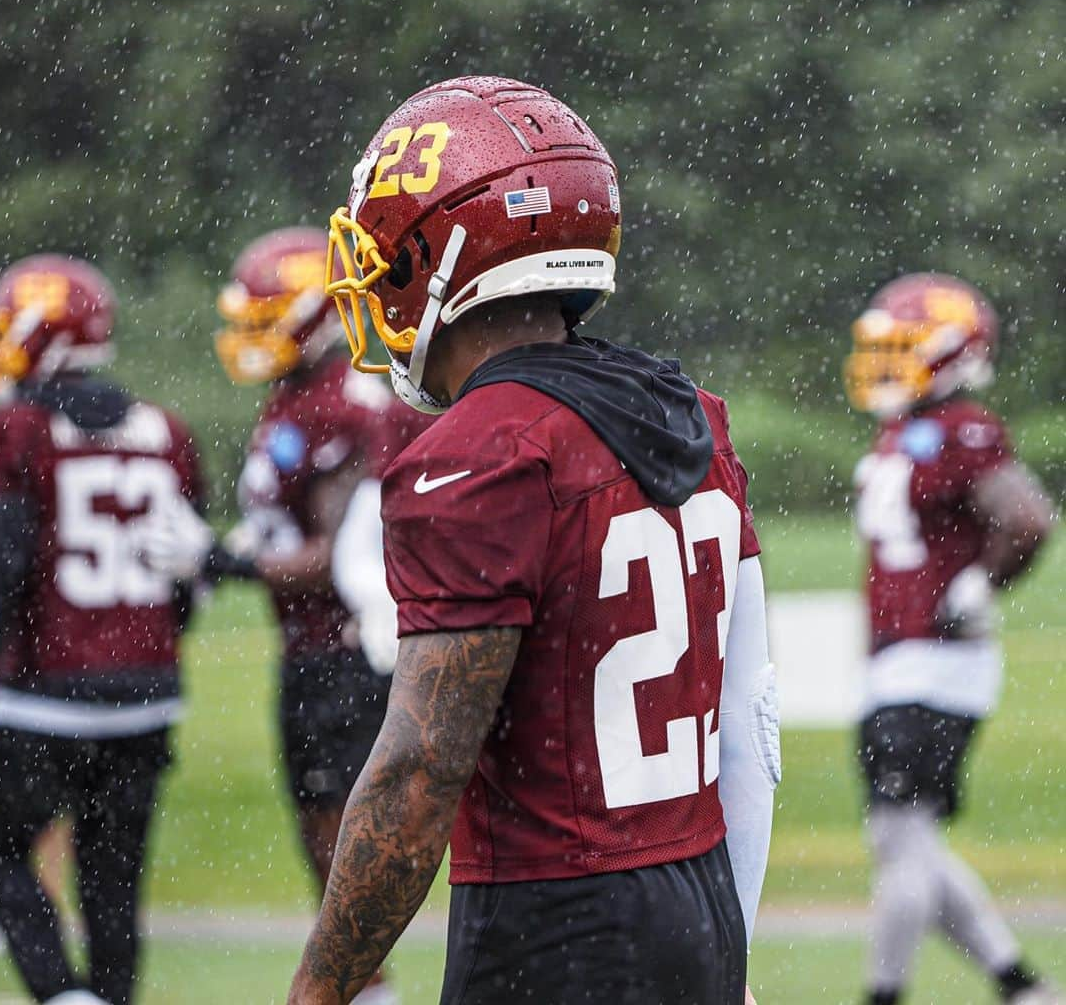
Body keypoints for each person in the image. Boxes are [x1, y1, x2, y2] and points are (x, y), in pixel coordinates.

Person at [287, 76, 780, 1005]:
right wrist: (731, 942)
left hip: (552, 927)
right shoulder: (693, 416)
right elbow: (753, 723)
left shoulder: (479, 455)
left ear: (434, 261)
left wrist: (318, 990)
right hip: (698, 905)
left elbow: (418, 771)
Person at [141, 229, 398, 1004]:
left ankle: (370, 993)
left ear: (317, 312)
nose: (253, 334)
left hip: (349, 656)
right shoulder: (295, 395)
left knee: (345, 851)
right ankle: (370, 991)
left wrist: (219, 560)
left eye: (267, 316)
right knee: (326, 852)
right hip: (309, 654)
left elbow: (333, 556)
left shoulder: (347, 402)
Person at [0, 254, 204, 1005]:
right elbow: (184, 585)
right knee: (114, 883)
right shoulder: (166, 430)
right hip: (147, 694)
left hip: (43, 693)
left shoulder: (14, 429)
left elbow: (1, 567)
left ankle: (63, 995)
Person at [844, 273, 1058, 1005]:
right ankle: (1020, 986)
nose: (886, 362)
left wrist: (976, 585)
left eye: (902, 347)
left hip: (935, 663)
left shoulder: (964, 427)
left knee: (900, 840)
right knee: (907, 843)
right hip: (904, 662)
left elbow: (1028, 519)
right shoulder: (906, 428)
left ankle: (884, 993)